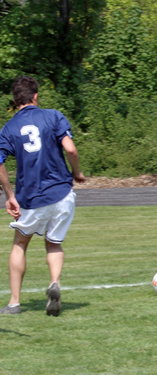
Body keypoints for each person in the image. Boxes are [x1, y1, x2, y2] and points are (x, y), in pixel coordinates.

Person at [0, 76, 85, 315]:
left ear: (15, 100)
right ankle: (54, 282)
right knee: (54, 243)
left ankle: (15, 302)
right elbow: (70, 148)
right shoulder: (54, 116)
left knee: (20, 243)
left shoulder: (8, 129)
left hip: (32, 197)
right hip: (62, 193)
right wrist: (77, 172)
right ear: (35, 96)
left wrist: (9, 195)